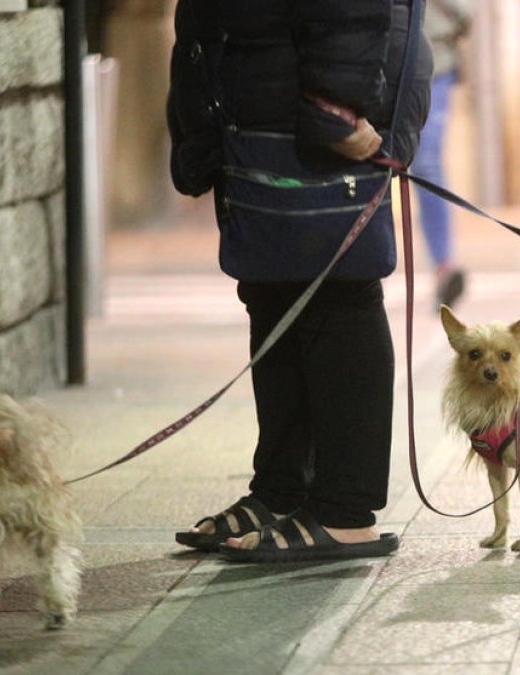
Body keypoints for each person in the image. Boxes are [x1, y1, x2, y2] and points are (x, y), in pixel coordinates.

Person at [167, 1, 432, 561]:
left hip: (325, 113)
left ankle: (343, 512)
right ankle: (283, 492)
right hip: (260, 107)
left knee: (338, 299)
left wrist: (336, 112)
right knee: (271, 294)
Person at [412, 0, 476, 310]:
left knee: (425, 165)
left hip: (434, 60)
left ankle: (444, 266)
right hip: (376, 55)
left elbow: (468, 10)